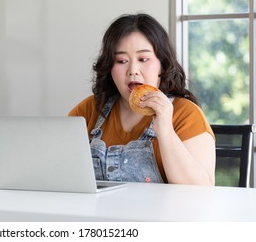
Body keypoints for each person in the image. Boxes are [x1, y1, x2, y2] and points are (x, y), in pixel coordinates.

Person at [68, 13, 215, 185]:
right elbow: (59, 171)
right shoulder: (89, 110)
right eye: (121, 61)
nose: (133, 70)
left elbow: (200, 191)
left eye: (143, 59)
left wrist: (165, 130)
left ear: (163, 64)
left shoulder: (186, 114)